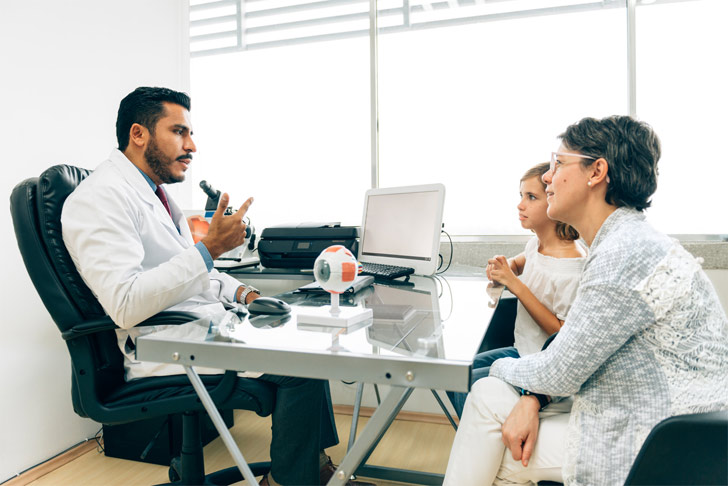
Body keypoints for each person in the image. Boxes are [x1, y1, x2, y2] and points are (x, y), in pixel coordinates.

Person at [61, 87, 369, 486]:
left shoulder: (155, 194)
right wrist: (209, 248)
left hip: (197, 327)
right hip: (161, 344)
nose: (191, 146)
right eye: (179, 132)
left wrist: (246, 294)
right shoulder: (99, 198)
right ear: (138, 134)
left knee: (303, 341)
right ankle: (293, 480)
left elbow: (191, 272)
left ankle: (311, 467)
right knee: (301, 366)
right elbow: (126, 303)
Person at [443, 115, 728, 485]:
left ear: (597, 172)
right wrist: (530, 396)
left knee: (495, 432)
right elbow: (574, 354)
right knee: (490, 402)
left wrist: (494, 370)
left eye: (559, 164)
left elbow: (560, 371)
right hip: (652, 417)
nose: (548, 176)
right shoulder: (623, 241)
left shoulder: (624, 252)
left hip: (659, 437)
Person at [447, 162, 586, 417]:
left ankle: (488, 433)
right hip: (522, 349)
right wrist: (504, 267)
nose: (520, 205)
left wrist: (514, 283)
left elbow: (562, 334)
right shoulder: (537, 244)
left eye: (531, 197)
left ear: (556, 202)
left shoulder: (571, 265)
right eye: (521, 196)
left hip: (543, 364)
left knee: (464, 386)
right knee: (453, 373)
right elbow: (519, 263)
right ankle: (478, 430)